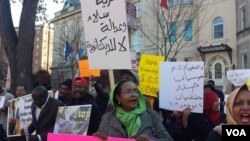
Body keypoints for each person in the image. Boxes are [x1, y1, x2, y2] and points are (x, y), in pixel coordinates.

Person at [94, 80, 173, 141]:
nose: (133, 95)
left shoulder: (151, 115)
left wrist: (150, 140)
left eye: (135, 91)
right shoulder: (107, 118)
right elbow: (101, 136)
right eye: (128, 92)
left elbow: (167, 139)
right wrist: (98, 137)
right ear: (118, 97)